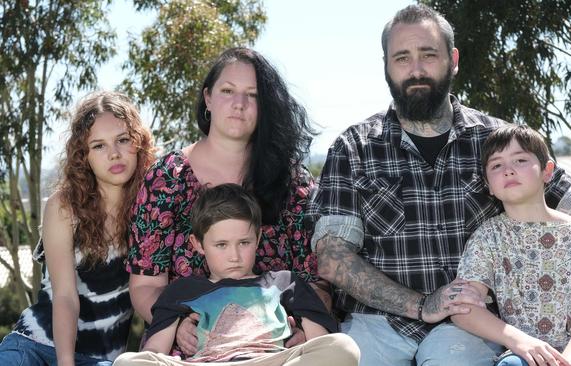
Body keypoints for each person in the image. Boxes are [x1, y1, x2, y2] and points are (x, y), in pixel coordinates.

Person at [309, 4, 571, 366]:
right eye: (401, 58)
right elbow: (333, 258)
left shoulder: (499, 144)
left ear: (452, 59)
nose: (416, 69)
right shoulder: (353, 147)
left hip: (471, 327)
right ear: (386, 64)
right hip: (377, 325)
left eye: (428, 55)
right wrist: (421, 305)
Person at [127, 47, 326, 356]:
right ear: (208, 98)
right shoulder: (166, 179)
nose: (239, 104)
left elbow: (316, 281)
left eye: (253, 95)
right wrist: (178, 325)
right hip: (192, 344)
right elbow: (146, 285)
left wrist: (301, 330)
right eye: (228, 90)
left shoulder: (291, 182)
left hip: (276, 344)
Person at [114, 184, 359, 366]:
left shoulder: (285, 283)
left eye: (243, 242)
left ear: (258, 239)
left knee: (344, 347)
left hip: (271, 361)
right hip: (207, 363)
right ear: (197, 244)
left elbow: (319, 342)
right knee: (127, 362)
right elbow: (155, 350)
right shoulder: (181, 291)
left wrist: (302, 341)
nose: (234, 256)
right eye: (221, 245)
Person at [0, 91, 156, 365]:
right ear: (84, 156)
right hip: (35, 346)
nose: (114, 154)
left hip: (102, 359)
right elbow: (65, 296)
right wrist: (65, 362)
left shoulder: (153, 206)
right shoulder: (65, 206)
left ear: (139, 144)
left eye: (123, 140)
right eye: (99, 146)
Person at [452, 125, 571, 366]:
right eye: (496, 165)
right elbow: (464, 309)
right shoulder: (487, 237)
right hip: (523, 350)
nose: (508, 170)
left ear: (547, 171)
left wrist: (567, 362)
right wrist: (519, 341)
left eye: (520, 160)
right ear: (488, 185)